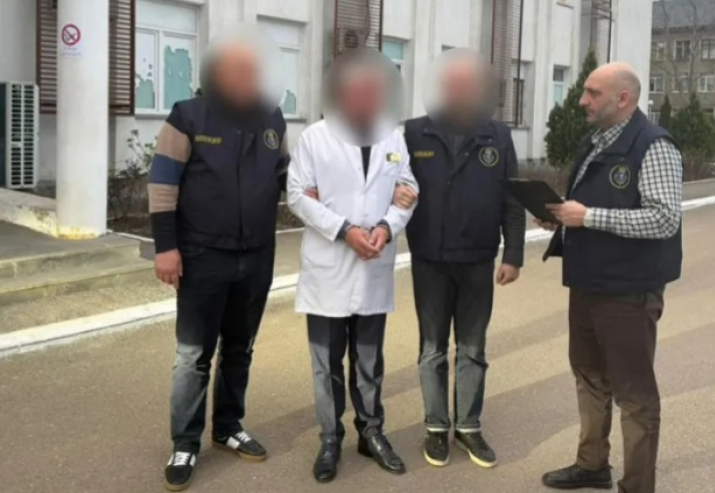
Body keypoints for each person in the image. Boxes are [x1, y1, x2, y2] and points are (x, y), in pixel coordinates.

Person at [148, 37, 288, 492]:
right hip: (202, 255)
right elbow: (163, 182)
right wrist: (166, 248)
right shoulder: (188, 116)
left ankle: (228, 426)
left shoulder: (272, 118)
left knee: (240, 348)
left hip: (257, 255)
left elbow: (289, 177)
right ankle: (185, 442)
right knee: (193, 355)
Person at [539, 62, 683, 493]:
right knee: (588, 378)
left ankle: (637, 485)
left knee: (634, 394)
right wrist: (563, 218)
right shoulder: (594, 142)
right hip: (587, 284)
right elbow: (592, 206)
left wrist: (587, 217)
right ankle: (592, 465)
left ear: (623, 99)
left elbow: (664, 219)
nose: (582, 100)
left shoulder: (654, 145)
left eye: (592, 93)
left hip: (629, 292)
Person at [286, 51, 418, 483]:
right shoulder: (315, 137)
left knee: (369, 360)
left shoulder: (393, 138)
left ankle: (371, 432)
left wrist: (385, 226)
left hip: (374, 263)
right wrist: (344, 230)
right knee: (326, 364)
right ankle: (330, 439)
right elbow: (298, 195)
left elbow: (408, 190)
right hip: (329, 267)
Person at [401, 50, 526, 469]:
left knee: (472, 348)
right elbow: (390, 185)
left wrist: (513, 254)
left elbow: (512, 199)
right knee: (432, 348)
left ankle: (469, 426)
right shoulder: (414, 133)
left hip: (477, 259)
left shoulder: (498, 135)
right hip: (430, 259)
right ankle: (437, 428)